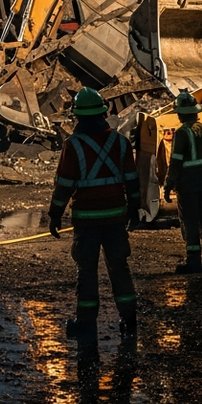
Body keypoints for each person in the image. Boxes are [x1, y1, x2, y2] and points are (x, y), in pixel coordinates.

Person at [48, 87, 140, 340]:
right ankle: (129, 320)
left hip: (86, 220)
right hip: (115, 217)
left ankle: (86, 324)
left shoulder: (72, 144)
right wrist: (134, 209)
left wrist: (55, 215)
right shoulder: (121, 143)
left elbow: (64, 185)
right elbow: (132, 180)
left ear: (78, 116)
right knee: (119, 267)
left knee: (87, 271)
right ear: (103, 112)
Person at [163, 89, 202, 274]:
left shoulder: (181, 133)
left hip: (187, 186)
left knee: (190, 222)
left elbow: (175, 162)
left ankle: (194, 262)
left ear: (180, 114)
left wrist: (168, 185)